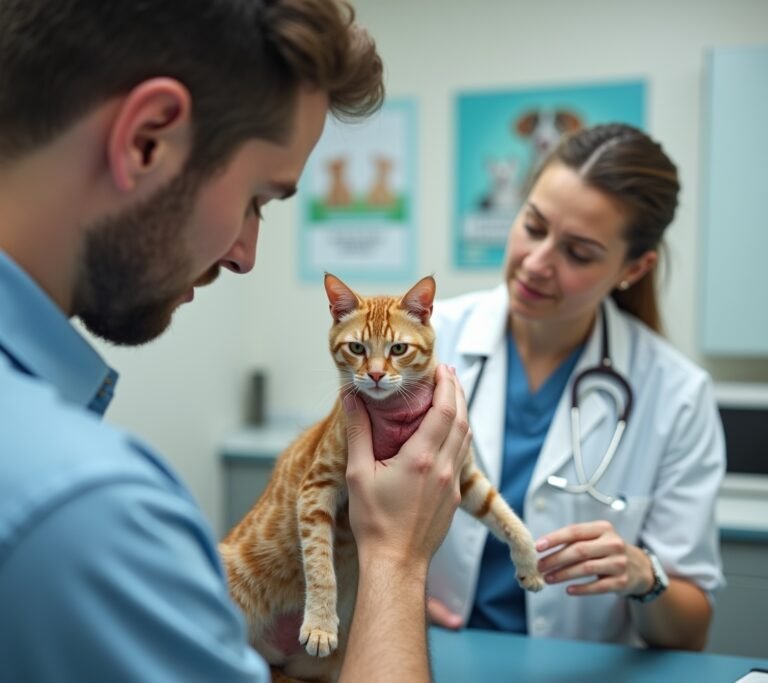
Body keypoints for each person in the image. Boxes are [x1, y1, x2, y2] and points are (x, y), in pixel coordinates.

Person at [0, 2, 470, 682]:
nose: (247, 254)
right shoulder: (84, 510)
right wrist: (396, 559)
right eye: (257, 198)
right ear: (146, 142)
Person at [426, 123, 725, 651]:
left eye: (579, 253)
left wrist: (643, 576)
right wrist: (386, 597)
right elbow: (335, 508)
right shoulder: (427, 341)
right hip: (431, 657)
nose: (537, 263)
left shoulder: (676, 393)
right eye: (533, 226)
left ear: (634, 267)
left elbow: (690, 628)